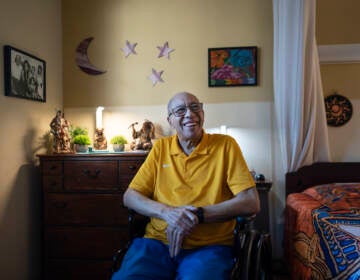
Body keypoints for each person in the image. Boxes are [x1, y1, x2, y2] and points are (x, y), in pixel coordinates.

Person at [112, 92, 260, 280]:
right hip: (157, 243)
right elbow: (130, 196)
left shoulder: (226, 145)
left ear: (203, 113)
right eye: (180, 110)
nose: (190, 114)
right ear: (170, 120)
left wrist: (196, 216)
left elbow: (251, 202)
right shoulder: (160, 148)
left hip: (210, 246)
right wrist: (168, 213)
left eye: (195, 107)